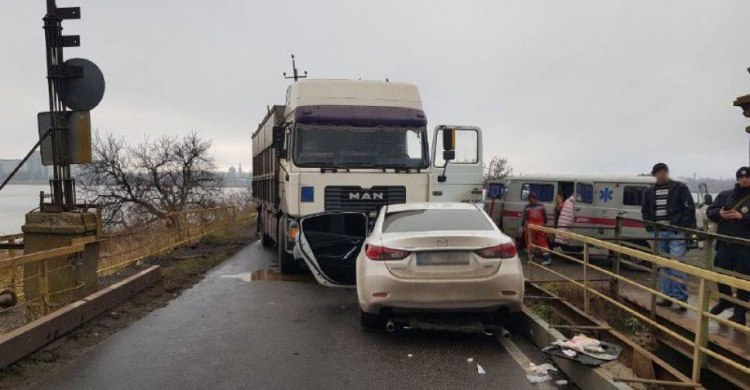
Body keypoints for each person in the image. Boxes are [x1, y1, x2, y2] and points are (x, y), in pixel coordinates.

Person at [641, 163, 696, 311]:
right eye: (657, 173)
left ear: (666, 172)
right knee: (663, 266)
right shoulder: (650, 191)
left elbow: (689, 208)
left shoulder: (679, 188)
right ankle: (667, 296)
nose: (660, 175)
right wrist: (650, 227)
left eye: (662, 172)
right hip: (658, 232)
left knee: (677, 265)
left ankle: (680, 298)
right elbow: (645, 210)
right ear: (655, 175)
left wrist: (682, 226)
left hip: (675, 231)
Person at [706, 166, 750, 325]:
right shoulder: (726, 195)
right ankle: (725, 299)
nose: (744, 179)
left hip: (746, 246)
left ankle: (740, 313)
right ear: (737, 179)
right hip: (726, 242)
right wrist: (719, 214)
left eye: (747, 177)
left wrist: (742, 216)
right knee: (720, 273)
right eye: (741, 177)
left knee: (743, 280)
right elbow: (709, 212)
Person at [522, 192, 552, 266]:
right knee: (542, 243)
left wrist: (522, 225)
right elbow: (545, 217)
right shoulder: (541, 206)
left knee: (530, 243)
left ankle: (531, 258)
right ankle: (547, 259)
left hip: (531, 228)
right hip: (539, 226)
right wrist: (544, 223)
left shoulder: (527, 207)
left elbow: (523, 219)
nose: (531, 201)